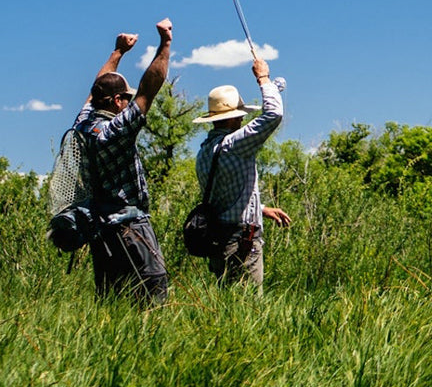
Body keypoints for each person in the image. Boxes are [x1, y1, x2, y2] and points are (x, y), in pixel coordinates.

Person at [74, 19, 173, 304]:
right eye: (125, 99)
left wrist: (117, 52)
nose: (129, 103)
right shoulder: (114, 132)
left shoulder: (82, 125)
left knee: (111, 300)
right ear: (117, 101)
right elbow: (148, 88)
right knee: (152, 291)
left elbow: (96, 91)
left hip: (100, 229)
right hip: (131, 228)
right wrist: (165, 43)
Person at [193, 55, 287, 285]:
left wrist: (261, 208)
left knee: (228, 308)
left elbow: (224, 193)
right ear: (235, 118)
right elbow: (273, 114)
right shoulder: (235, 144)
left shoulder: (205, 151)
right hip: (241, 241)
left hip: (218, 241)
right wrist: (263, 78)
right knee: (249, 308)